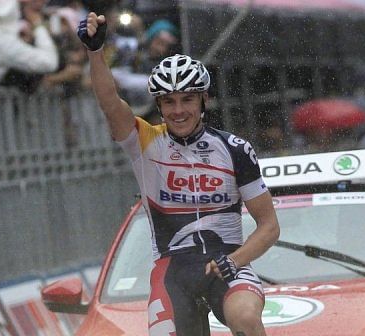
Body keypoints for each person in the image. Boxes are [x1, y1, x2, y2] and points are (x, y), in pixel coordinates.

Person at [78, 12, 280, 336]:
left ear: (204, 99)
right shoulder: (144, 142)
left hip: (227, 261)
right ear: (158, 105)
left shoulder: (235, 149)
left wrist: (236, 260)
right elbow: (109, 102)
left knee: (245, 317)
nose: (179, 110)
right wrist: (95, 52)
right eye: (169, 101)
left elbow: (269, 227)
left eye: (188, 99)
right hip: (172, 270)